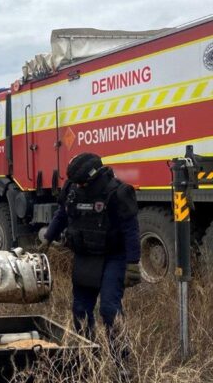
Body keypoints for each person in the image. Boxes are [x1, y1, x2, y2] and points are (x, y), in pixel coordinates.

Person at [40, 152, 141, 358]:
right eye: (75, 183)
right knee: (80, 309)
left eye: (82, 183)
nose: (79, 186)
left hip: (113, 257)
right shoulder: (72, 189)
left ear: (94, 177)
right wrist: (48, 239)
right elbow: (62, 215)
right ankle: (88, 357)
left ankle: (121, 360)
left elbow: (131, 230)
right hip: (85, 256)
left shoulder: (117, 193)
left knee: (109, 309)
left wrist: (132, 264)